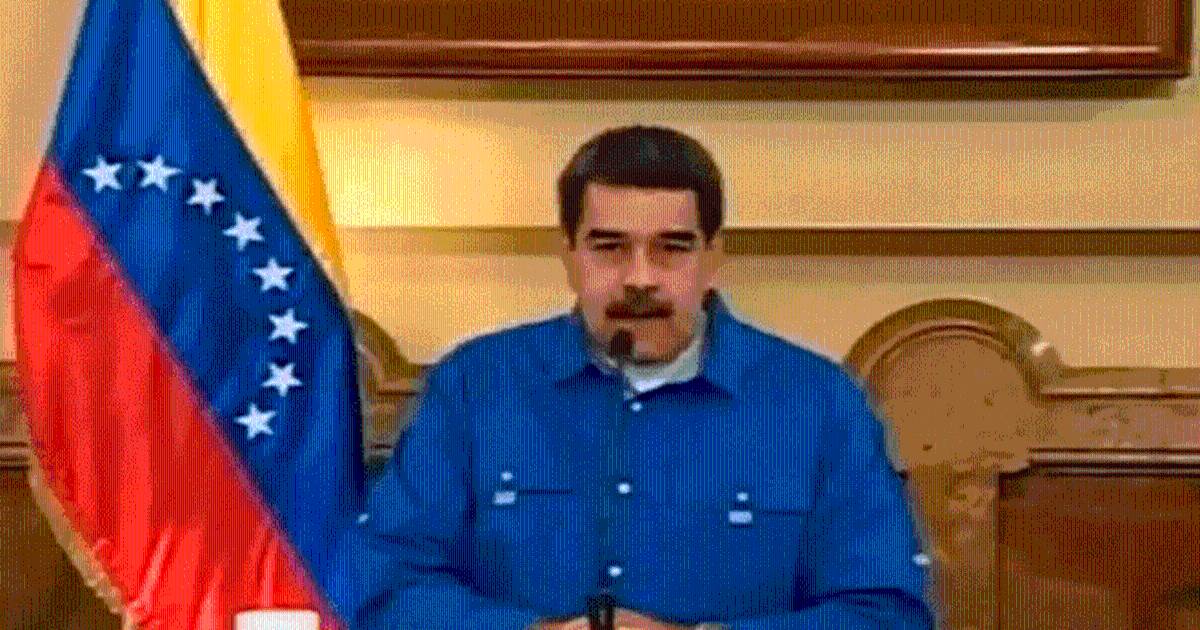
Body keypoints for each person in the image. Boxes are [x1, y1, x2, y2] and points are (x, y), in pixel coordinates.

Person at [329, 126, 934, 629]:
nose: (640, 278)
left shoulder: (818, 403)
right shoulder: (477, 386)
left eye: (672, 248)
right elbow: (385, 584)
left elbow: (885, 612)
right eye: (609, 247)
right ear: (569, 255)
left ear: (713, 257)